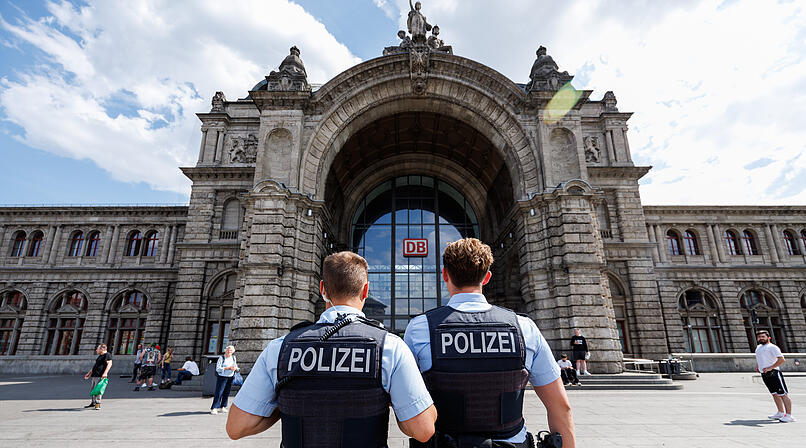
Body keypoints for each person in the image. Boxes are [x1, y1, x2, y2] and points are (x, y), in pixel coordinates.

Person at [226, 251, 437, 446]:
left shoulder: (280, 348)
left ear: (322, 290)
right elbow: (423, 430)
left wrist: (284, 403)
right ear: (365, 290)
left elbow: (236, 427)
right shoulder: (390, 347)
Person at [404, 238, 575, 448]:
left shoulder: (420, 328)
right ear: (486, 278)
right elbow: (561, 407)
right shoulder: (524, 327)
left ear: (445, 275)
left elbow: (410, 409)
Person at [755, 330, 796, 422]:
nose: (761, 338)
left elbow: (782, 360)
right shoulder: (758, 347)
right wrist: (758, 366)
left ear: (768, 337)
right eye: (759, 337)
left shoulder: (773, 347)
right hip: (764, 374)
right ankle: (780, 412)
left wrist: (771, 367)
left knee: (783, 394)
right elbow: (759, 358)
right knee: (774, 394)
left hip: (774, 373)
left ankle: (789, 415)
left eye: (763, 337)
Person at [211, 345, 239, 414]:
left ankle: (223, 406)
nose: (229, 352)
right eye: (228, 350)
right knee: (219, 392)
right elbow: (218, 368)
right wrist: (228, 368)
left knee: (226, 392)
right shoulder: (222, 358)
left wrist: (235, 368)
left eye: (231, 351)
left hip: (230, 376)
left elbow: (236, 366)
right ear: (225, 350)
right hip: (222, 377)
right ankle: (214, 407)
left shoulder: (233, 358)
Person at [84, 344, 112, 410]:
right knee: (93, 390)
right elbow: (96, 365)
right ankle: (93, 403)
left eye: (98, 349)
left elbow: (110, 364)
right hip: (95, 375)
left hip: (100, 375)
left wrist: (105, 373)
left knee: (98, 390)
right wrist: (89, 373)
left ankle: (97, 404)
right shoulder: (100, 356)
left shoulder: (107, 355)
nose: (96, 350)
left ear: (102, 349)